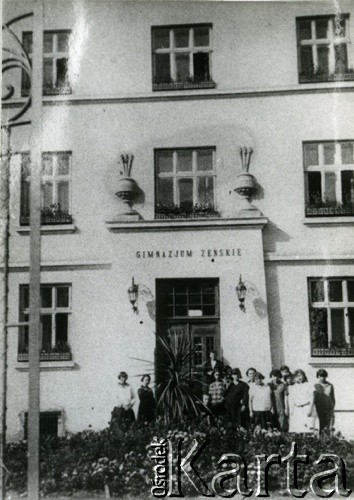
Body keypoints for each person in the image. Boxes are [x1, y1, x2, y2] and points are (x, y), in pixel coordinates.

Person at [286, 369, 316, 433]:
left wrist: (310, 409)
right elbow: (291, 400)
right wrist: (291, 412)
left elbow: (312, 398)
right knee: (298, 430)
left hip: (307, 408)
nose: (299, 377)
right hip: (297, 410)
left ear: (304, 376)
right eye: (297, 376)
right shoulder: (292, 387)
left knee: (308, 429)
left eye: (300, 375)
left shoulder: (309, 385)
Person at [314, 369, 335, 434]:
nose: (322, 378)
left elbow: (332, 397)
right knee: (319, 427)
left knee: (328, 427)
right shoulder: (315, 386)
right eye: (320, 376)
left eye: (324, 376)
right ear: (318, 376)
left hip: (328, 409)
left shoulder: (330, 385)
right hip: (319, 409)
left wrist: (332, 407)